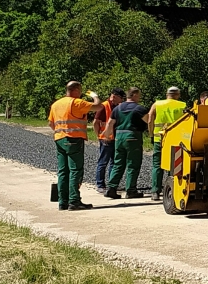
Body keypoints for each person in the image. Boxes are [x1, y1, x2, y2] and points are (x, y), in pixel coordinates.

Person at [46, 81, 102, 211]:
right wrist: (94, 95)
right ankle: (74, 201)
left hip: (59, 139)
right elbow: (98, 106)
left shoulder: (56, 104)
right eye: (80, 90)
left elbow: (50, 123)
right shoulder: (76, 102)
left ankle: (62, 202)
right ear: (76, 90)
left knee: (63, 171)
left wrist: (61, 132)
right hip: (74, 139)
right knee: (75, 170)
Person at [146, 86, 187, 201]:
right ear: (178, 95)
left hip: (159, 139)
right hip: (175, 141)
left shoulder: (157, 104)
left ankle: (155, 192)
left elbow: (150, 119)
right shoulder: (182, 105)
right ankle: (171, 191)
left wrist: (151, 134)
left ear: (167, 94)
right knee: (174, 166)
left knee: (157, 165)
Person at [105, 87, 147, 199]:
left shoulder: (117, 108)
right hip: (132, 137)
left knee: (118, 163)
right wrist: (151, 133)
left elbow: (110, 123)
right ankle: (131, 190)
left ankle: (111, 188)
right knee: (133, 164)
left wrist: (108, 136)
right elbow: (149, 121)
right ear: (134, 95)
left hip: (119, 137)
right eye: (138, 96)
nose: (139, 98)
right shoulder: (139, 109)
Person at [93, 89, 124, 192]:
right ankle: (100, 185)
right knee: (103, 162)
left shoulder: (117, 106)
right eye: (121, 98)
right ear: (115, 96)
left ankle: (111, 185)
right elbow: (95, 122)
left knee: (114, 162)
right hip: (105, 139)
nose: (122, 100)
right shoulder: (104, 106)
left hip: (115, 138)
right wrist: (99, 135)